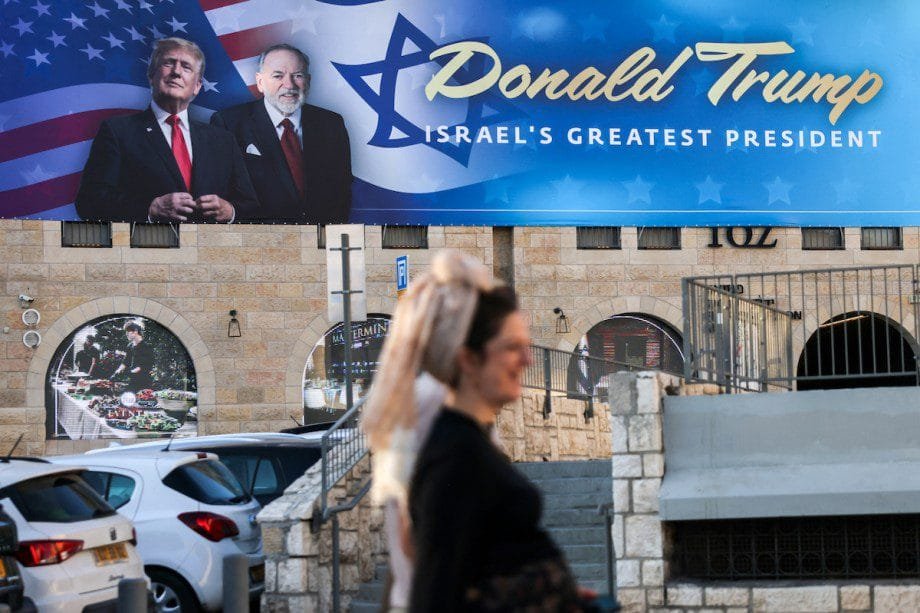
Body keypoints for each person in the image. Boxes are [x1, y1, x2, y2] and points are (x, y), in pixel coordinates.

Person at [364, 250, 594, 612]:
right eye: (512, 347)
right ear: (468, 358)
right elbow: (430, 567)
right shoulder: (451, 443)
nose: (528, 360)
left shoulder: (470, 435)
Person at [76, 37, 259, 223]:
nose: (176, 72)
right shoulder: (118, 131)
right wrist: (150, 209)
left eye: (186, 67)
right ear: (151, 76)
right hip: (149, 241)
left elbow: (250, 205)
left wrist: (230, 211)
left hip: (208, 241)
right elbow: (89, 201)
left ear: (197, 86)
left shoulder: (223, 140)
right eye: (169, 63)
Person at [211, 44, 352, 224]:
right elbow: (222, 193)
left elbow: (342, 190)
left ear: (308, 81)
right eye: (278, 76)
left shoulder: (331, 124)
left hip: (317, 236)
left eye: (298, 75)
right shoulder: (228, 123)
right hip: (257, 235)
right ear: (260, 82)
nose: (289, 85)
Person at [113, 322, 154, 392]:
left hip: (144, 380)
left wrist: (129, 372)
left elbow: (143, 366)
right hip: (133, 379)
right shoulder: (130, 346)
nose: (126, 334)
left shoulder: (146, 346)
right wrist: (118, 371)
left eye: (128, 332)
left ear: (135, 331)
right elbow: (126, 361)